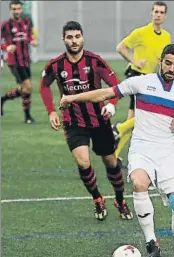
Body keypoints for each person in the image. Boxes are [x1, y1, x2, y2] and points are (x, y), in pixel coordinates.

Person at [59, 44, 174, 257]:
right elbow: (105, 93)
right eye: (167, 62)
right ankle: (151, 241)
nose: (171, 68)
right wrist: (71, 98)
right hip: (142, 147)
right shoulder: (141, 82)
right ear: (160, 60)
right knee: (138, 182)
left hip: (167, 151)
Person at [39, 21, 133, 221]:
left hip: (99, 120)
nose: (74, 41)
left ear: (83, 37)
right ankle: (97, 198)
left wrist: (112, 104)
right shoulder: (55, 65)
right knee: (83, 161)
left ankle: (119, 199)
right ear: (63, 39)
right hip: (73, 122)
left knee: (110, 161)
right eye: (70, 37)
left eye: (77, 36)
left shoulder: (95, 61)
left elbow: (116, 86)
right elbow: (44, 85)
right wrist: (50, 112)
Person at [113, 1, 171, 168]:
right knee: (146, 116)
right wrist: (134, 60)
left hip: (151, 79)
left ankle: (115, 156)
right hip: (138, 76)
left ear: (165, 16)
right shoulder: (141, 32)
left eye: (161, 12)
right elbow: (121, 47)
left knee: (134, 119)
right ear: (151, 13)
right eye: (156, 11)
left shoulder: (166, 36)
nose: (158, 14)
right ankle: (119, 128)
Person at [1, 0, 37, 123]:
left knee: (26, 89)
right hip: (14, 61)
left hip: (26, 60)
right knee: (27, 87)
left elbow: (29, 36)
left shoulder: (27, 22)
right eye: (14, 9)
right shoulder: (5, 25)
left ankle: (3, 99)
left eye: (18, 8)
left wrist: (32, 41)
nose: (16, 11)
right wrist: (6, 48)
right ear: (10, 10)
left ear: (22, 9)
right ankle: (27, 117)